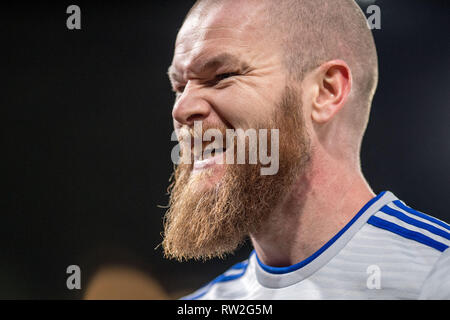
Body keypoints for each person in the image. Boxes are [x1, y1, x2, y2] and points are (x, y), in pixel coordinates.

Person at [162, 0, 450, 299]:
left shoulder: (436, 276)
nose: (182, 108)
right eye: (179, 88)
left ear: (326, 92)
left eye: (221, 76)